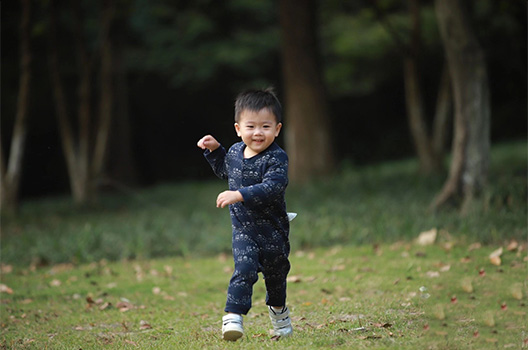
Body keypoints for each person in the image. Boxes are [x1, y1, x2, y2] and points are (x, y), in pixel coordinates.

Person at [197, 88, 293, 341]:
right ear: (238, 128)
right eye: (251, 126)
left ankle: (279, 311)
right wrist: (215, 149)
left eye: (265, 126)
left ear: (277, 129)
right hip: (244, 229)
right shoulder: (235, 153)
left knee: (276, 274)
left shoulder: (276, 158)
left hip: (273, 231)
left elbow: (273, 187)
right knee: (245, 267)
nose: (258, 133)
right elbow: (225, 170)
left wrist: (239, 195)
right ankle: (233, 316)